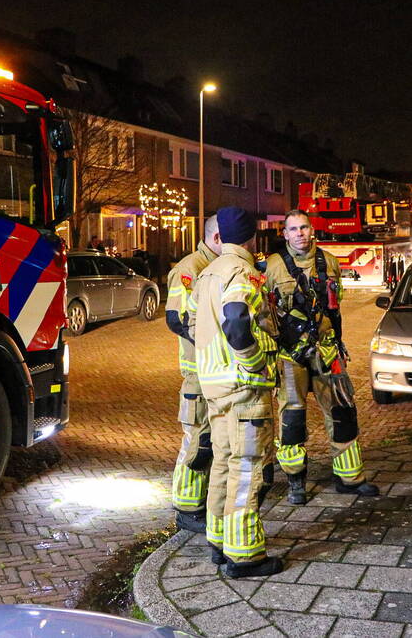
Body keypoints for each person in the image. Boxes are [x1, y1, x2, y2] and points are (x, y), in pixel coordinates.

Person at [187, 207, 282, 578]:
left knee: (224, 463)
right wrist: (254, 360)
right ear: (252, 238)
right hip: (244, 387)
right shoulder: (242, 272)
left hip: (215, 387)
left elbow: (192, 324)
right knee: (247, 467)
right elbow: (238, 322)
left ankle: (218, 539)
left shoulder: (207, 272)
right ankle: (244, 556)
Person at [264, 210, 380, 504]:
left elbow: (334, 307)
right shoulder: (273, 267)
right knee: (292, 417)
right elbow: (265, 312)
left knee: (342, 412)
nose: (300, 233)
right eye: (293, 229)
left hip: (327, 350)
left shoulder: (328, 262)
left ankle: (350, 478)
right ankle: (295, 481)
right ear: (285, 234)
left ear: (311, 230)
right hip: (290, 355)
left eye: (304, 227)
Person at [164, 216, 221, 534]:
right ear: (217, 238)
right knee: (197, 440)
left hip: (213, 371)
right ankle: (187, 508)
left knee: (211, 439)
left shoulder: (215, 265)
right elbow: (176, 318)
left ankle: (201, 500)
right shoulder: (191, 268)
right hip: (198, 372)